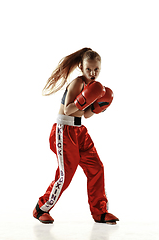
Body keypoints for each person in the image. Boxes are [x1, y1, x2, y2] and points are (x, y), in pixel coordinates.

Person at [33, 47, 119, 224]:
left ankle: (100, 212)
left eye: (96, 69)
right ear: (81, 67)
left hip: (80, 131)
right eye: (89, 69)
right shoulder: (77, 83)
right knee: (66, 175)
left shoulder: (94, 87)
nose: (93, 73)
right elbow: (68, 109)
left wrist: (98, 107)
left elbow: (86, 115)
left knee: (96, 167)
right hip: (64, 131)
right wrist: (84, 99)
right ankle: (41, 208)